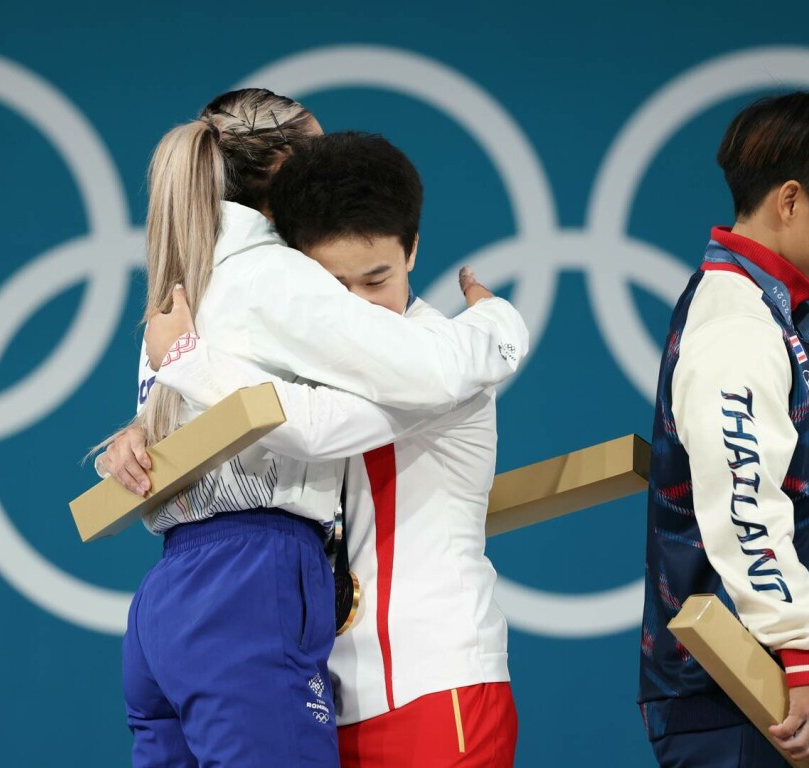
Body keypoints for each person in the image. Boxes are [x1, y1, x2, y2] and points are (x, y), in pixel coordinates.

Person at [99, 90, 527, 768]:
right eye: (337, 288)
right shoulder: (275, 279)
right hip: (255, 593)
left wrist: (156, 407)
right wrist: (501, 326)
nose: (352, 306)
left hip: (185, 602)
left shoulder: (192, 274)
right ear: (288, 172)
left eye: (374, 278)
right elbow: (415, 379)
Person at [638, 90, 809, 768]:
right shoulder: (737, 322)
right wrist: (807, 654)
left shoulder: (767, 312)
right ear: (790, 200)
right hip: (733, 686)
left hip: (750, 680)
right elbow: (746, 502)